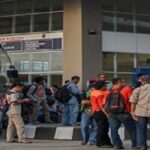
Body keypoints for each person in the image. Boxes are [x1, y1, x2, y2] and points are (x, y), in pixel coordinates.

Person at [106, 77, 137, 149]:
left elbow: (105, 103)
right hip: (125, 113)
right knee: (132, 130)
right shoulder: (127, 89)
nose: (124, 83)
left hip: (112, 114)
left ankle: (117, 145)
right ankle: (136, 144)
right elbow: (132, 100)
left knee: (113, 130)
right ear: (119, 82)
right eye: (123, 82)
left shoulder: (108, 91)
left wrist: (107, 114)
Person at [130, 75, 150, 150]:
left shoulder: (137, 90)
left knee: (140, 130)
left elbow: (133, 102)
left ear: (142, 81)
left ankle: (142, 146)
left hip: (140, 112)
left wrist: (132, 113)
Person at [90, 80, 112, 148]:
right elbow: (101, 105)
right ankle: (100, 143)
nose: (106, 87)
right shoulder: (100, 94)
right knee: (102, 128)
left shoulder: (93, 92)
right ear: (102, 86)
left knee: (102, 128)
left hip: (95, 112)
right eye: (105, 85)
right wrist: (107, 114)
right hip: (100, 112)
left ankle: (107, 142)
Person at [80, 80, 97, 145]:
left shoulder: (97, 93)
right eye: (94, 88)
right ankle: (85, 139)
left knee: (96, 127)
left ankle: (92, 140)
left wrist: (89, 102)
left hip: (96, 111)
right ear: (91, 88)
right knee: (84, 126)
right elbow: (83, 102)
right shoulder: (85, 94)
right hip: (86, 112)